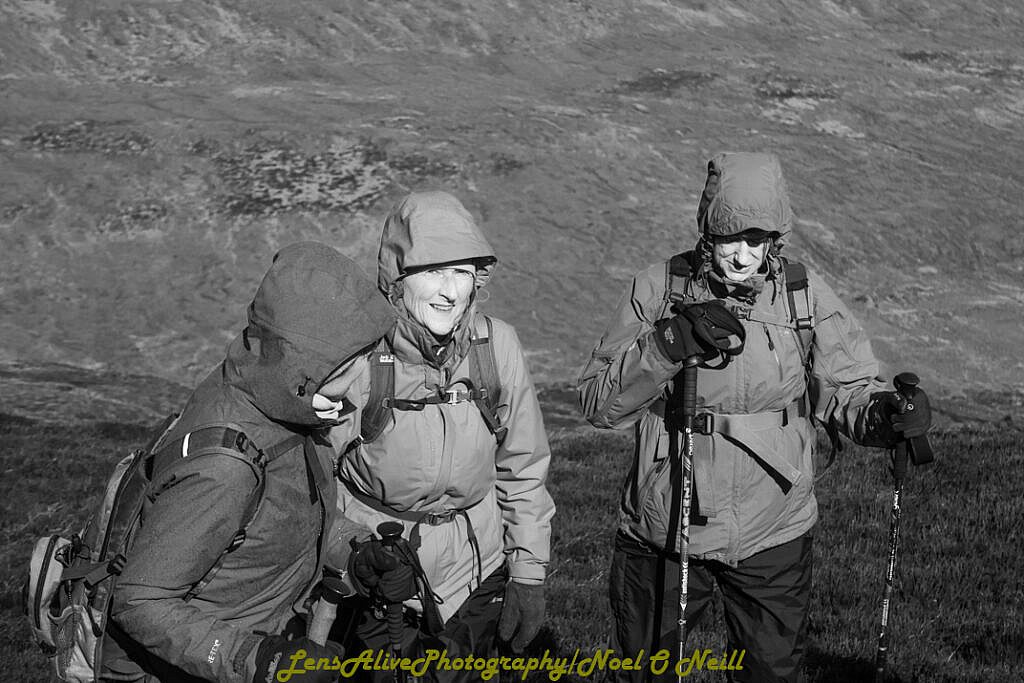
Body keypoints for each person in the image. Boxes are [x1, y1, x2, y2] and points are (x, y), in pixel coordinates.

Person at [577, 152, 932, 682]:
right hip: (666, 526)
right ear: (707, 230)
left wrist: (885, 416)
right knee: (643, 673)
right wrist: (666, 345)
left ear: (776, 237)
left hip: (775, 526)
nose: (742, 254)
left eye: (757, 238)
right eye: (728, 237)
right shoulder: (660, 289)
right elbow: (598, 402)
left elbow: (848, 389)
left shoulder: (801, 295)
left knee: (771, 673)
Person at [104, 241, 396, 682]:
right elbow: (141, 601)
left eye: (366, 359)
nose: (361, 385)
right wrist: (257, 660)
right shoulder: (225, 469)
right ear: (301, 366)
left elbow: (276, 516)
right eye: (347, 367)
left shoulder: (277, 401)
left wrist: (355, 552)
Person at [332, 190, 555, 680]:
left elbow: (522, 469)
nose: (450, 291)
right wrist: (353, 554)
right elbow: (312, 484)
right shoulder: (355, 358)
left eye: (461, 272)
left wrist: (527, 575)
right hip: (379, 582)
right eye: (433, 271)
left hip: (476, 579)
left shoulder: (497, 347)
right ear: (396, 281)